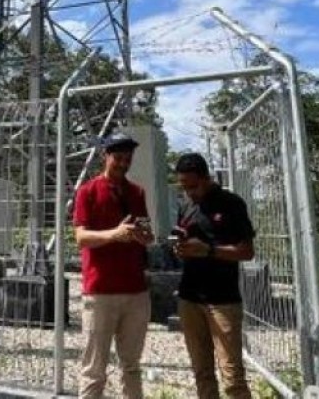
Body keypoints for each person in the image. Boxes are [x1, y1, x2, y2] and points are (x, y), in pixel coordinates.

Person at [72, 132, 155, 399]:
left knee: (131, 366)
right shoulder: (87, 192)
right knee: (94, 367)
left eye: (127, 159)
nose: (123, 163)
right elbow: (81, 237)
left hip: (135, 291)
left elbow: (144, 233)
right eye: (118, 158)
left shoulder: (137, 192)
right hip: (100, 292)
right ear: (105, 157)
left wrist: (145, 237)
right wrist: (114, 234)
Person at [171, 152, 256, 399]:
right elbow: (186, 243)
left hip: (223, 300)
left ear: (207, 178)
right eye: (184, 187)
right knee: (201, 372)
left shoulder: (231, 203)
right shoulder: (186, 206)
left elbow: (247, 252)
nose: (189, 192)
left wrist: (208, 250)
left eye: (193, 186)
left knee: (232, 376)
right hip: (189, 298)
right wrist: (181, 249)